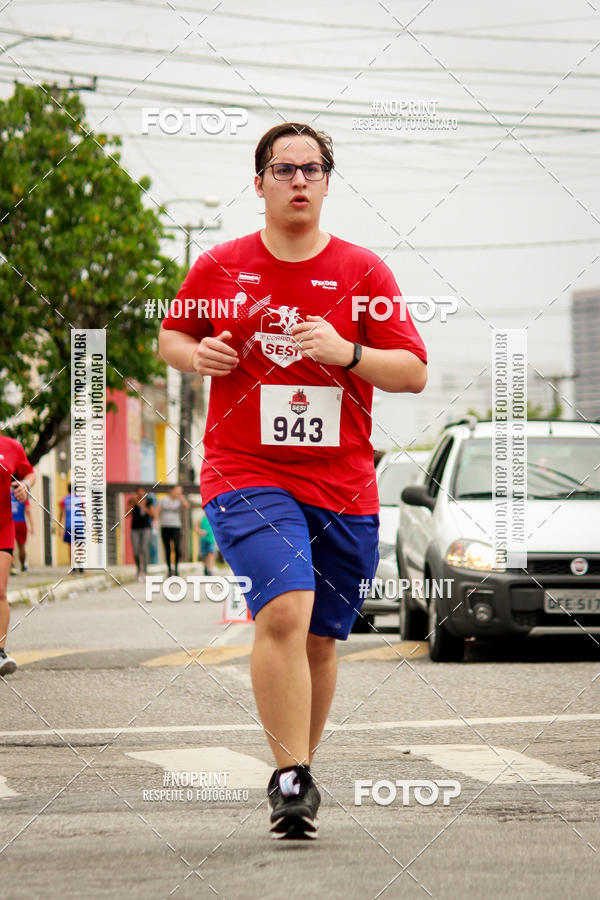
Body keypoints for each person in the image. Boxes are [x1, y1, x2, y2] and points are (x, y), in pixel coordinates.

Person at [158, 122, 427, 839]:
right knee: (284, 608)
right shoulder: (219, 265)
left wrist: (348, 351)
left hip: (340, 481)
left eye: (312, 169)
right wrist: (198, 356)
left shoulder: (364, 273)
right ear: (260, 183)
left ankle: (299, 765)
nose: (299, 180)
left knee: (319, 638)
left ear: (328, 182)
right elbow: (171, 334)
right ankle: (288, 779)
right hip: (244, 468)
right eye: (284, 169)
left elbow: (413, 371)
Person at [0, 432, 35, 676]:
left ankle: (0, 652)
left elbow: (28, 472)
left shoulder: (11, 446)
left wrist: (25, 486)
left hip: (3, 526)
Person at [157, 485, 189, 577]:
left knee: (177, 548)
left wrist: (182, 498)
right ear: (171, 491)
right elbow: (158, 510)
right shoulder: (163, 500)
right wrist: (156, 520)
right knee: (167, 549)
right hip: (165, 526)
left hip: (176, 526)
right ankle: (169, 569)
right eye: (177, 491)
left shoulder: (179, 500)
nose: (179, 493)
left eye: (180, 492)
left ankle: (176, 567)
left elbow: (186, 506)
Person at [127, 487, 155, 581]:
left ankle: (145, 571)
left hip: (146, 528)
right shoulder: (132, 501)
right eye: (139, 493)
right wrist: (133, 503)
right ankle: (139, 570)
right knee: (136, 551)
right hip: (134, 529)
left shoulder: (148, 501)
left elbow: (153, 515)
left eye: (142, 493)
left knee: (144, 548)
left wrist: (143, 507)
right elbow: (126, 514)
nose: (141, 495)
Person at [58, 483, 84, 575]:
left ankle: (73, 567)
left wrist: (59, 527)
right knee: (80, 545)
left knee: (70, 546)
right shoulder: (79, 499)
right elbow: (83, 513)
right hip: (79, 525)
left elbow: (61, 514)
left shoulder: (64, 500)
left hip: (69, 525)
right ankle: (80, 565)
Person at [11, 495, 33, 573]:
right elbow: (28, 511)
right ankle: (23, 567)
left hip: (11, 523)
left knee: (10, 546)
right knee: (22, 546)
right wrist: (32, 525)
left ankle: (12, 566)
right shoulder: (22, 495)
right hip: (21, 523)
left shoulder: (8, 495)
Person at [195, 508, 216, 576]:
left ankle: (210, 569)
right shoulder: (201, 519)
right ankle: (205, 567)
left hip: (211, 540)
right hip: (203, 540)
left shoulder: (212, 519)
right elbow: (196, 528)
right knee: (203, 555)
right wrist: (200, 531)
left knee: (210, 553)